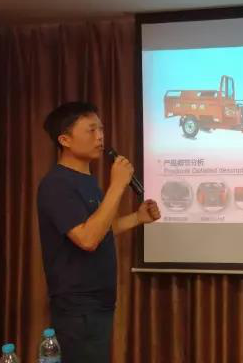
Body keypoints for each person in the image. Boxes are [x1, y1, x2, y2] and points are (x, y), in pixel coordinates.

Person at [38, 102, 161, 363]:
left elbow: (99, 228)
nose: (100, 137)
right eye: (91, 130)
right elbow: (87, 239)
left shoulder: (87, 180)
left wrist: (137, 218)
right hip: (77, 307)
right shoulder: (56, 184)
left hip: (99, 301)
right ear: (64, 140)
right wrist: (117, 185)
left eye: (101, 129)